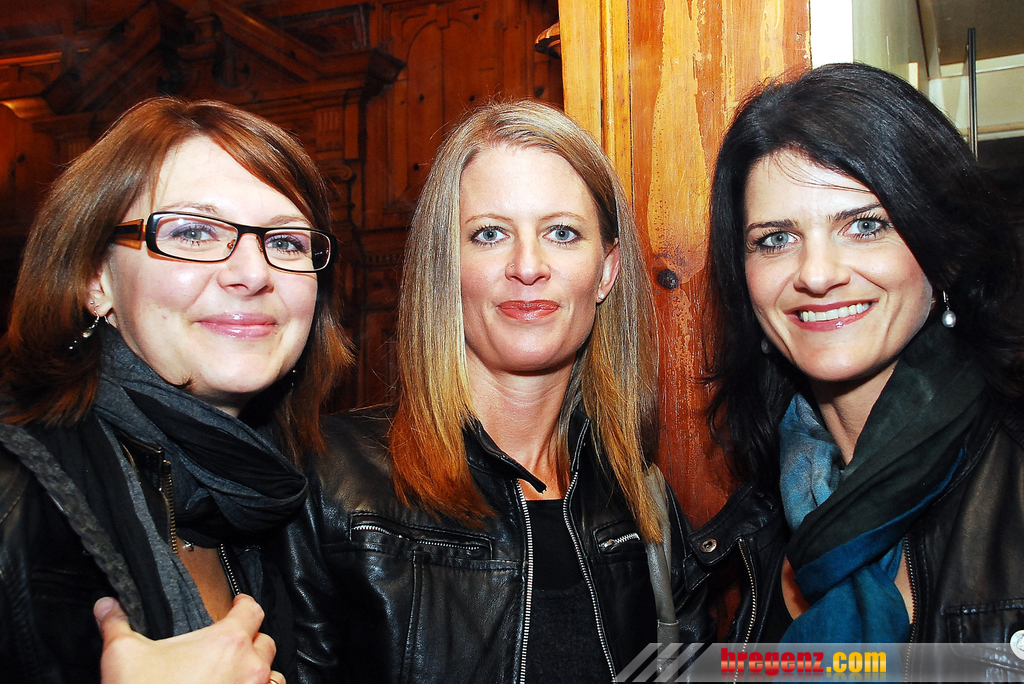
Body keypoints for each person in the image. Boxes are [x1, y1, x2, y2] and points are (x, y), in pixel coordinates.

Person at [275, 100, 713, 682]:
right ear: (445, 266)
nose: (527, 266)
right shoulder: (328, 480)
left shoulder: (642, 502)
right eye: (489, 234)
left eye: (562, 233)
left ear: (606, 272)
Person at [0, 97, 352, 684]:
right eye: (192, 232)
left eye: (287, 242)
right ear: (95, 279)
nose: (253, 274)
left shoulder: (266, 490)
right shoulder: (13, 493)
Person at [695, 62, 1024, 662]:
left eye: (866, 226)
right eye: (776, 239)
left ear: (945, 252)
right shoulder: (764, 518)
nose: (817, 274)